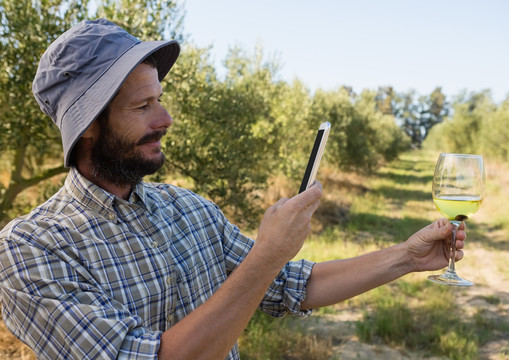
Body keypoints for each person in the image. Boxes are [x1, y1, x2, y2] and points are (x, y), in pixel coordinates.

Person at [0, 19, 466, 360]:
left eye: (159, 99)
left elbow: (290, 286)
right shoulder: (31, 250)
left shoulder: (186, 209)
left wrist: (407, 257)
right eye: (142, 106)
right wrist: (266, 255)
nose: (165, 120)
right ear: (86, 128)